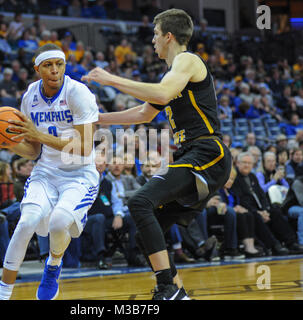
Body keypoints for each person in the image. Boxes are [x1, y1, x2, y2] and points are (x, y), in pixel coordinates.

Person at [82, 8, 232, 300]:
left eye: (155, 34)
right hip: (191, 156)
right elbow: (143, 113)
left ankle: (166, 288)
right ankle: (178, 293)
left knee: (139, 201)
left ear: (169, 36)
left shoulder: (187, 60)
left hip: (207, 152)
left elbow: (161, 95)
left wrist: (110, 79)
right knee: (144, 235)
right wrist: (98, 119)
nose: (152, 41)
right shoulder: (172, 75)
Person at [0, 43, 99, 300]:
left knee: (59, 222)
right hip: (46, 171)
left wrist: (38, 135)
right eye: (48, 65)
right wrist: (5, 142)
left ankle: (53, 265)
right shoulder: (30, 96)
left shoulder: (78, 93)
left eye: (59, 64)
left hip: (79, 174)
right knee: (26, 221)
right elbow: (32, 150)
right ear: (37, 69)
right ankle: (3, 295)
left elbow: (84, 147)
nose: (54, 70)